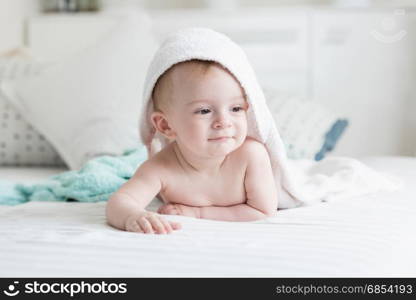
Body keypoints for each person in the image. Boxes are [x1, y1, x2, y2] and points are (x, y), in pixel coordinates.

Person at [106, 28, 283, 234]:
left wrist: (199, 213)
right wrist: (132, 216)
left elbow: (262, 211)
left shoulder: (251, 156)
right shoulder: (161, 168)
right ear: (166, 126)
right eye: (204, 111)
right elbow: (119, 202)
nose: (223, 122)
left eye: (236, 108)